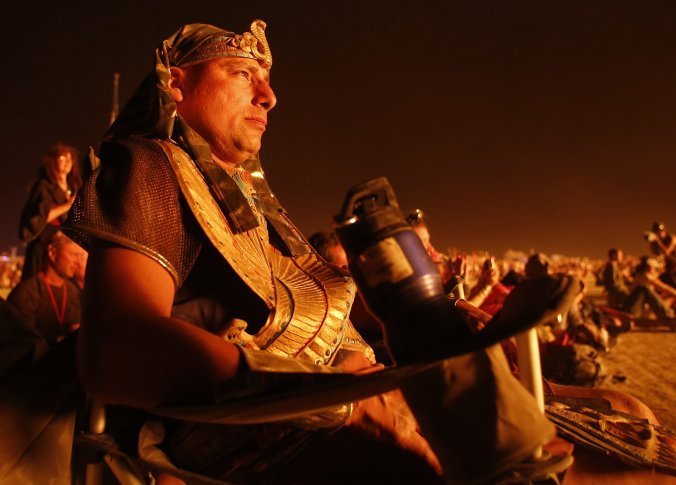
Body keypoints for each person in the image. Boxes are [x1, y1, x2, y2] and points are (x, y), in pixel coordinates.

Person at [61, 20, 559, 484]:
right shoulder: (149, 165)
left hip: (328, 394)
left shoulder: (240, 192)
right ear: (177, 85)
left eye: (268, 79)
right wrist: (322, 395)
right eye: (242, 73)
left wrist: (428, 321)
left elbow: (295, 305)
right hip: (258, 433)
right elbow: (116, 351)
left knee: (606, 415)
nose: (269, 96)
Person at [7, 231, 85, 346]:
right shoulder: (27, 294)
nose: (78, 262)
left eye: (80, 256)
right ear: (52, 253)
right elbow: (19, 345)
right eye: (74, 255)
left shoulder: (74, 293)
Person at [18, 143, 81, 281]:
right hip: (45, 243)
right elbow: (42, 216)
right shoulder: (44, 186)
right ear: (53, 161)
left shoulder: (72, 186)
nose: (68, 162)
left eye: (70, 159)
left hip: (65, 242)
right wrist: (67, 205)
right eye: (63, 158)